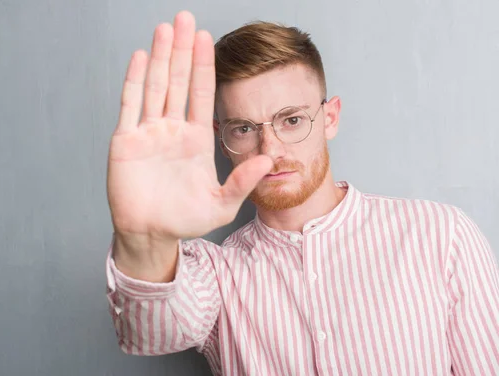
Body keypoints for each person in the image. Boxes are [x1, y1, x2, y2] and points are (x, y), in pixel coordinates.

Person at [105, 10, 499, 376]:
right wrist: (145, 239)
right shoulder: (217, 275)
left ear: (329, 118)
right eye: (244, 128)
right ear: (221, 141)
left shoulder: (441, 236)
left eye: (291, 120)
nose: (271, 151)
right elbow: (149, 332)